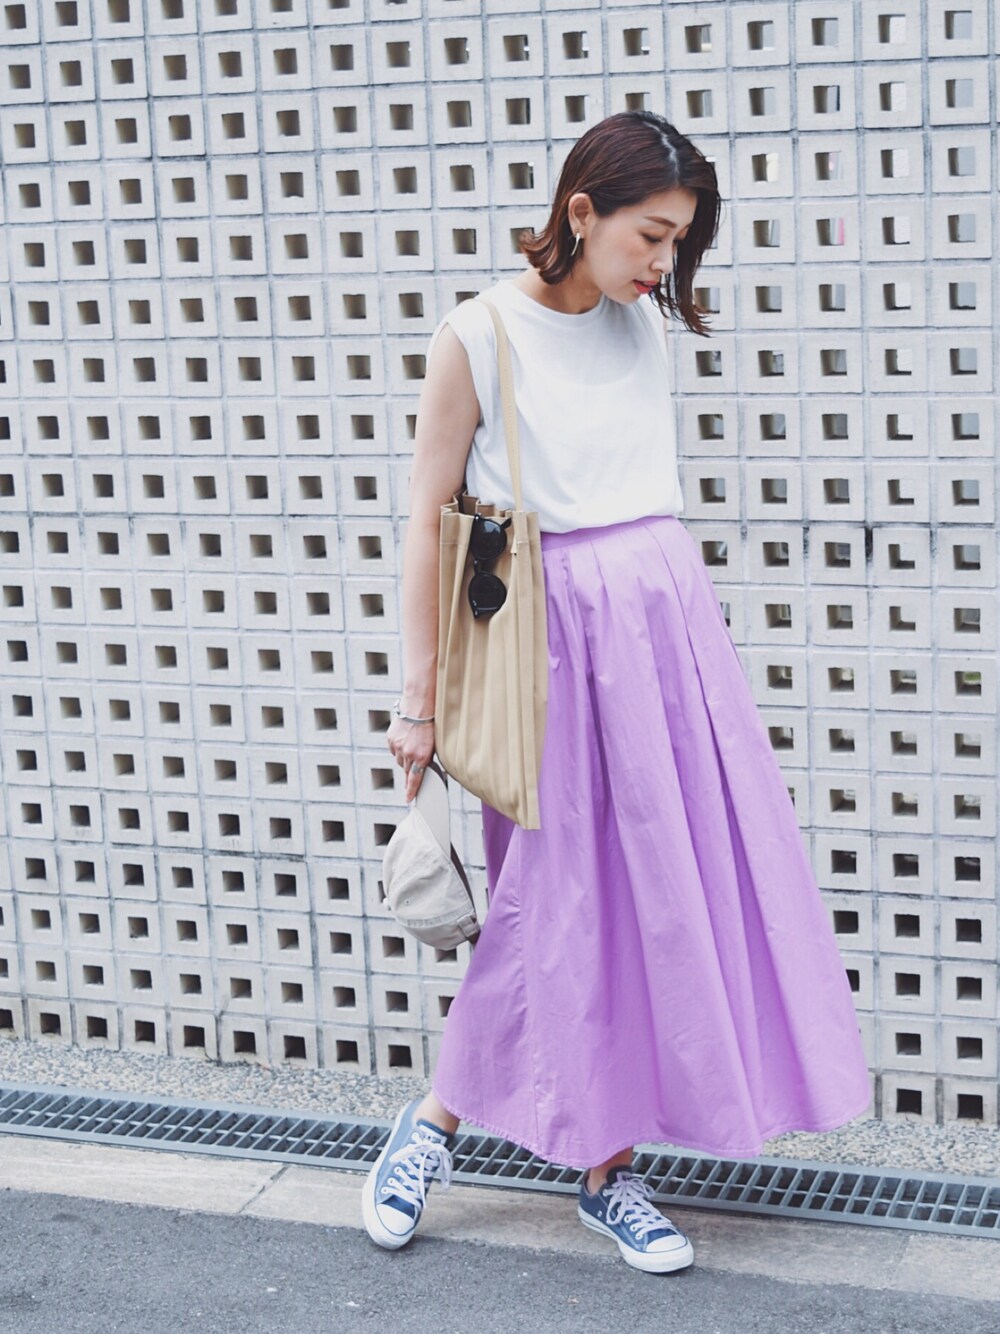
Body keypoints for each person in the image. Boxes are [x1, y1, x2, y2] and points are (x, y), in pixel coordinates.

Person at [362, 110, 872, 1274]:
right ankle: (435, 1122)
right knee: (554, 905)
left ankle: (605, 1168)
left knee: (651, 902)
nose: (663, 261)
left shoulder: (643, 323)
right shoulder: (478, 334)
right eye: (651, 234)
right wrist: (418, 701)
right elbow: (427, 524)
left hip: (662, 632)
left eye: (679, 240)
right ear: (579, 210)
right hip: (544, 647)